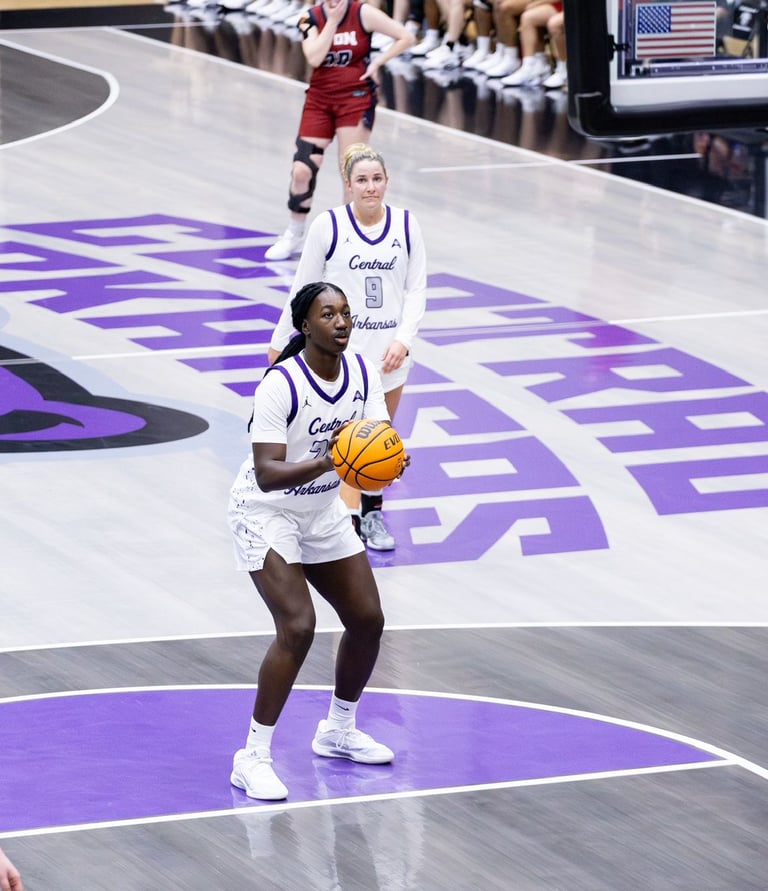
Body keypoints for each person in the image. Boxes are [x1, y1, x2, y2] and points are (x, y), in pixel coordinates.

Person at [228, 281, 402, 800]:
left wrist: (388, 461)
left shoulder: (363, 373)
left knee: (367, 619)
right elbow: (266, 473)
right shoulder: (280, 385)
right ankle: (252, 757)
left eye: (346, 313)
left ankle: (338, 730)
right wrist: (331, 461)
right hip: (266, 512)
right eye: (329, 314)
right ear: (305, 325)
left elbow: (378, 444)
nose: (342, 321)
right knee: (299, 626)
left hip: (321, 510)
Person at [268, 143, 427, 551]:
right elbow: (303, 287)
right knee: (343, 444)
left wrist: (403, 340)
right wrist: (279, 342)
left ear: (387, 181)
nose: (370, 187)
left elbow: (416, 289)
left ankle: (372, 514)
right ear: (348, 184)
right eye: (362, 180)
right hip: (343, 360)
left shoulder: (406, 225)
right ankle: (342, 520)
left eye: (377, 179)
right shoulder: (329, 226)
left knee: (381, 441)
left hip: (389, 355)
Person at [265, 0, 416, 260]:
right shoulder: (309, 18)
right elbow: (314, 57)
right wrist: (333, 22)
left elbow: (406, 37)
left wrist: (377, 63)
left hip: (355, 99)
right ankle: (294, 232)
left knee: (351, 171)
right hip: (319, 101)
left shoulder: (363, 13)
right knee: (302, 170)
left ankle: (348, 240)